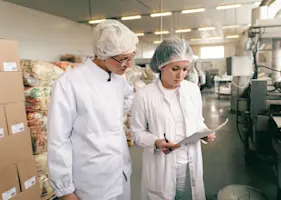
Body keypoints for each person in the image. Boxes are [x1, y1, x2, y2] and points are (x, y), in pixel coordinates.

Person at [47, 20, 138, 200]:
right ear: (104, 54)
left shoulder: (119, 79)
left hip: (120, 172)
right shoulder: (70, 83)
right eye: (123, 59)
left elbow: (128, 98)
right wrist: (65, 190)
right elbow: (58, 139)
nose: (129, 65)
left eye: (131, 56)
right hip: (91, 182)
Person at [131, 37, 216, 200]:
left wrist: (205, 132)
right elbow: (137, 132)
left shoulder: (192, 90)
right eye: (175, 69)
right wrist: (155, 142)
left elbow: (198, 120)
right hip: (161, 167)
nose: (181, 75)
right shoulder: (144, 95)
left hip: (189, 164)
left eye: (185, 69)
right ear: (161, 66)